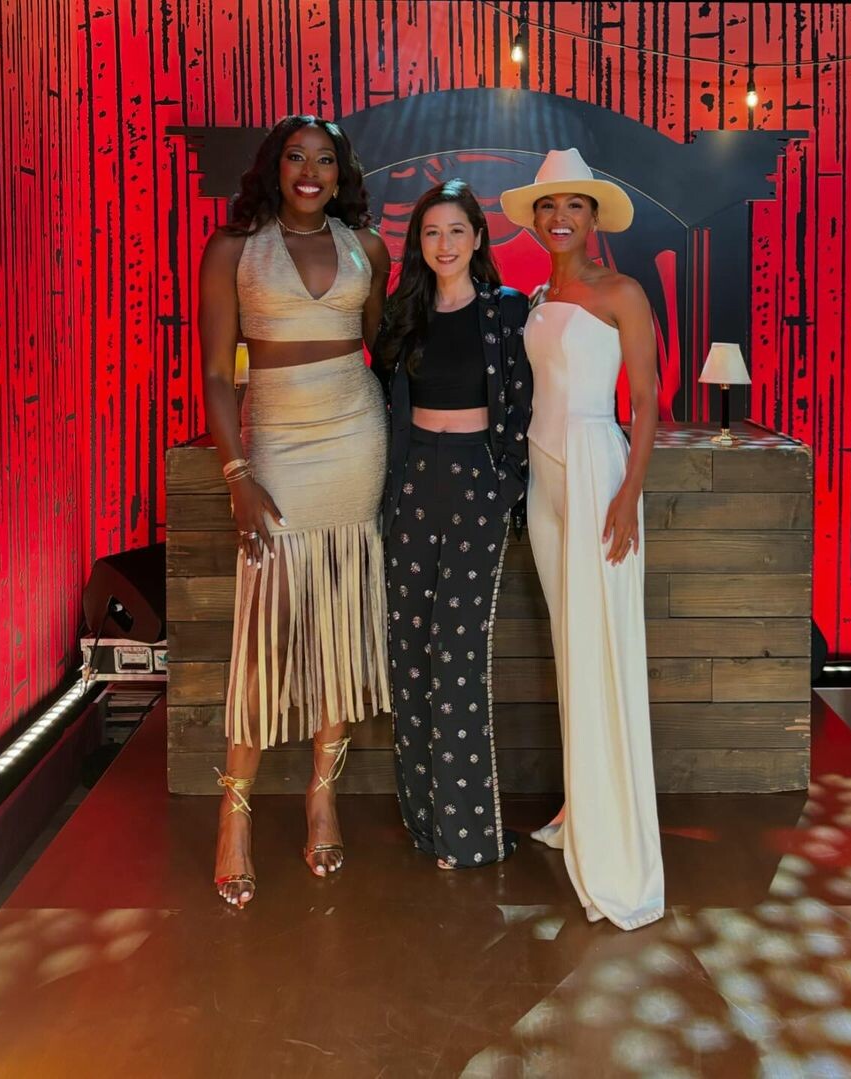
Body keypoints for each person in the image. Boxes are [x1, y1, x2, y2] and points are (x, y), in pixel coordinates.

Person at [198, 115, 391, 907]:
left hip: (356, 437)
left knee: (340, 619)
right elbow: (217, 375)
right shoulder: (233, 249)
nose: (310, 171)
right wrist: (237, 470)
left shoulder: (368, 248)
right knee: (267, 629)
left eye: (325, 159)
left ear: (341, 173)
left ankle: (322, 795)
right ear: (275, 168)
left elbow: (381, 348)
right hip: (276, 441)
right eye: (296, 157)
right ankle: (235, 812)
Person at [499, 149, 665, 929]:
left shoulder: (621, 292)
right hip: (544, 477)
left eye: (573, 205)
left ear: (594, 217)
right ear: (535, 219)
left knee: (603, 647)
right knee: (571, 645)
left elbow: (647, 401)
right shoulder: (538, 296)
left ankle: (615, 836)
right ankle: (579, 803)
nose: (558, 217)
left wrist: (630, 493)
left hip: (598, 470)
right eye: (547, 206)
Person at [372, 180, 533, 869]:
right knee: (408, 652)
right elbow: (380, 399)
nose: (444, 244)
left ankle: (466, 837)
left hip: (477, 480)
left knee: (457, 653)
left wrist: (506, 483)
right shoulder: (403, 314)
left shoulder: (506, 311)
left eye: (456, 231)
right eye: (432, 232)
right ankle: (425, 822)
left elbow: (524, 402)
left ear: (478, 238)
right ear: (419, 241)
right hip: (412, 482)